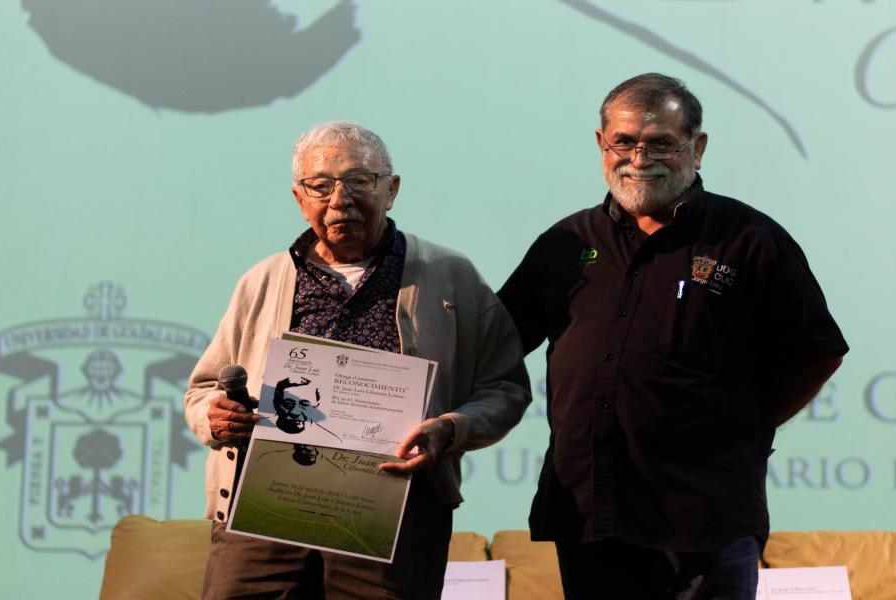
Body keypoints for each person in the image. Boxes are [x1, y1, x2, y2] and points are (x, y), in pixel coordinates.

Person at [498, 73, 848, 599]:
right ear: (601, 145)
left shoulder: (749, 239)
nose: (640, 157)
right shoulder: (565, 242)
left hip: (706, 516)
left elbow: (817, 351)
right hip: (594, 515)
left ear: (697, 147)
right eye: (624, 142)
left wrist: (748, 426)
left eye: (660, 142)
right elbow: (496, 341)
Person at [185, 121, 530, 599]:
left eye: (358, 181)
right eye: (320, 185)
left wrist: (449, 429)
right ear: (299, 198)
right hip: (264, 513)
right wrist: (214, 418)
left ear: (391, 190)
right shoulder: (263, 280)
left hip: (391, 518)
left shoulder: (449, 278)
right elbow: (202, 390)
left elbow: (505, 387)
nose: (339, 198)